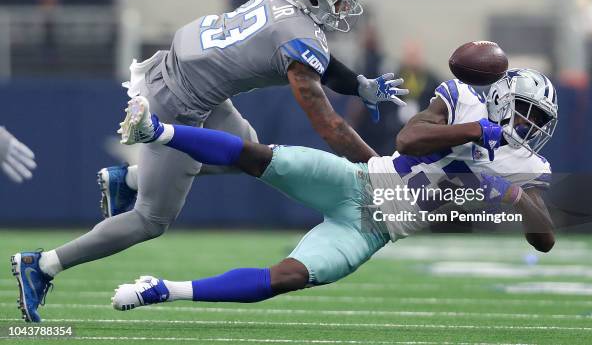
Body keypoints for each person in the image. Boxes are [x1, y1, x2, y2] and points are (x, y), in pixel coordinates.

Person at [10, 0, 408, 323]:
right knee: (150, 219)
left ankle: (129, 178)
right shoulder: (296, 36)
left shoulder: (284, 0)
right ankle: (43, 264)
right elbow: (329, 125)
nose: (346, 7)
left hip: (193, 71)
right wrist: (379, 168)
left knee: (249, 154)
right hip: (183, 99)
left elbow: (315, 55)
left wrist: (359, 85)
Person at [109, 68, 556, 310]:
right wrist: (473, 132)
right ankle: (155, 131)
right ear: (499, 99)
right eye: (524, 113)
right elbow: (409, 141)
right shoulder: (464, 100)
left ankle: (163, 290)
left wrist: (511, 194)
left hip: (371, 231)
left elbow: (545, 239)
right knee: (256, 156)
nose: (527, 126)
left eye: (537, 121)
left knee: (287, 278)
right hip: (358, 180)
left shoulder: (526, 164)